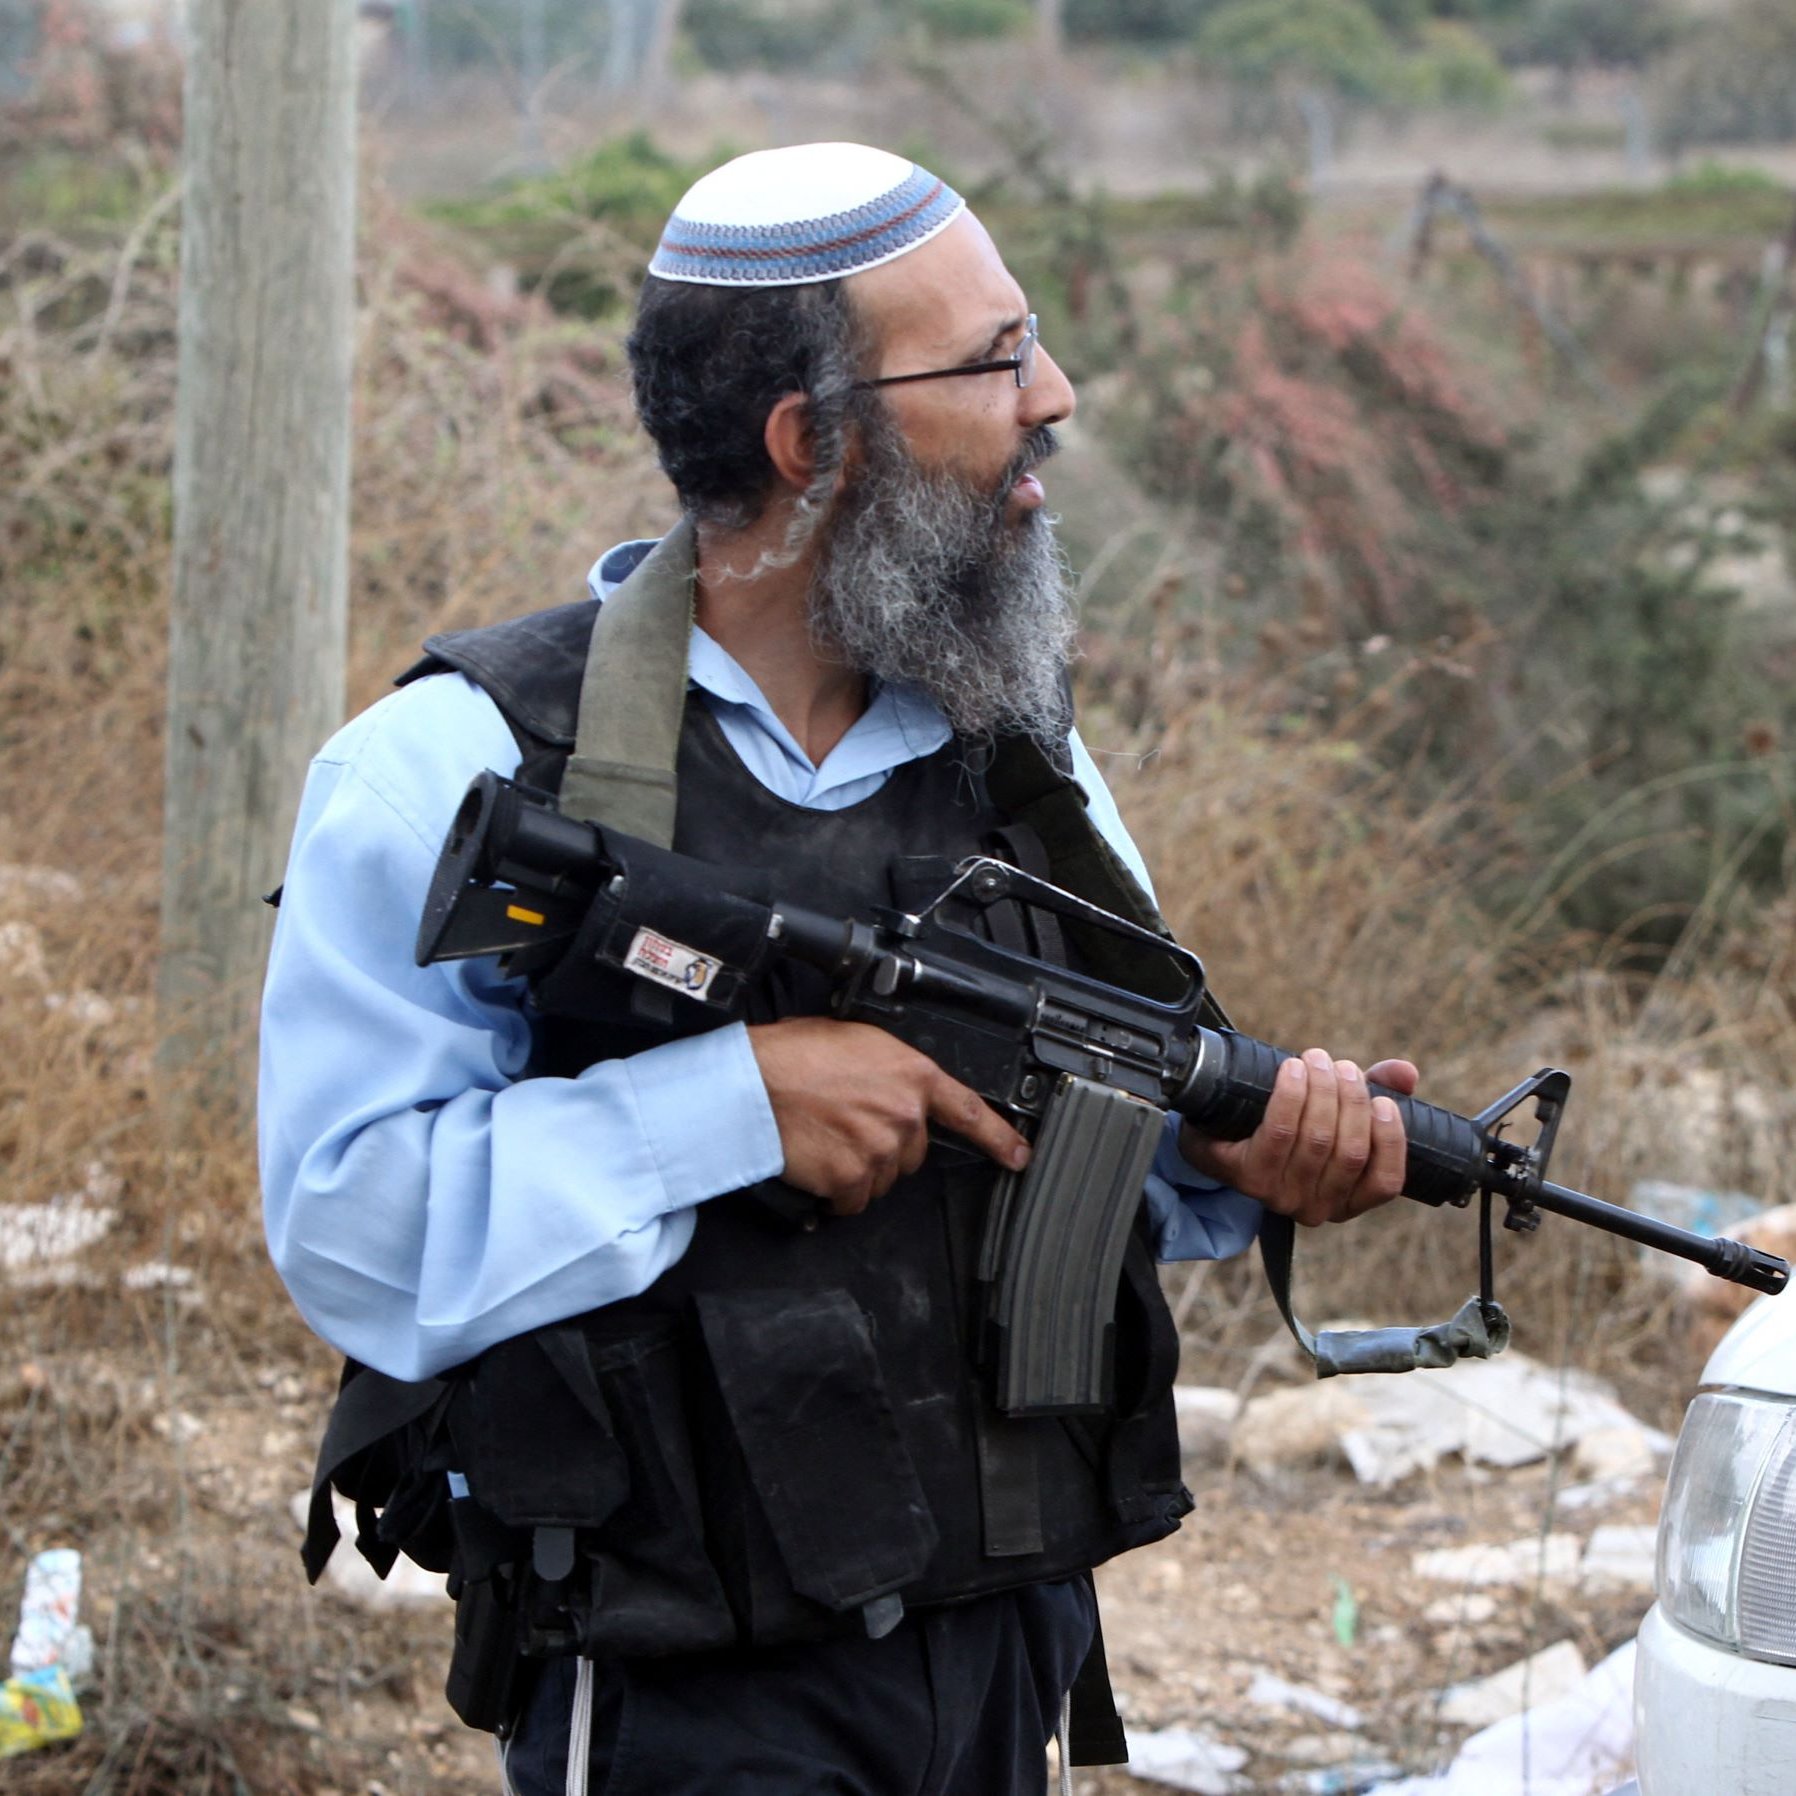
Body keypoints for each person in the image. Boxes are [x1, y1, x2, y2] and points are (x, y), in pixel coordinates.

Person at [260, 144, 1418, 1796]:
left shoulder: (1023, 768)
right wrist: (731, 1104)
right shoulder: (449, 768)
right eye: (995, 359)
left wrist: (1239, 1154)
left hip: (997, 1639)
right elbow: (354, 1232)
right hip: (689, 1678)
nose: (1054, 399)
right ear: (813, 445)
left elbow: (1090, 1148)